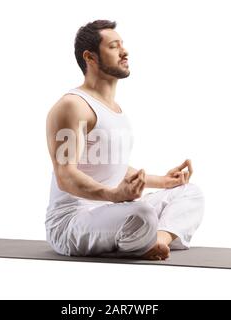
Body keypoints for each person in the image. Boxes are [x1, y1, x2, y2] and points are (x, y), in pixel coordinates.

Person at [45, 20, 204, 260]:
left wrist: (163, 181)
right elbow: (65, 175)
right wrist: (114, 195)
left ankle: (157, 241)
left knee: (189, 192)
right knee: (141, 215)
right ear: (90, 57)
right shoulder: (73, 106)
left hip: (111, 211)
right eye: (113, 46)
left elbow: (112, 167)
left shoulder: (115, 110)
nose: (125, 51)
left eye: (123, 45)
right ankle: (144, 236)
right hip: (71, 223)